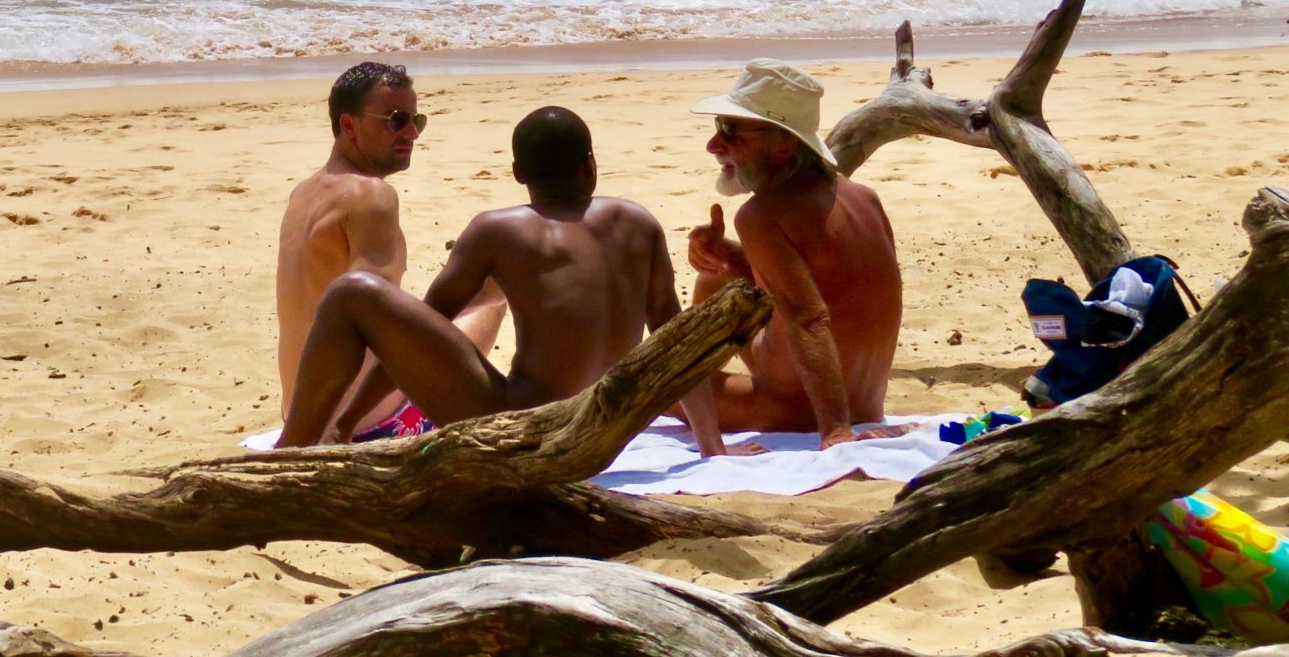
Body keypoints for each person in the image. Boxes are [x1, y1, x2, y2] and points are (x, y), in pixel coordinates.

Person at [279, 106, 737, 453]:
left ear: (518, 174)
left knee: (352, 294)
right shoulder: (639, 222)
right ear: (590, 166)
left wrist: (347, 423)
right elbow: (674, 339)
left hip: (523, 426)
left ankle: (294, 446)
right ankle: (318, 436)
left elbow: (427, 324)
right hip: (601, 425)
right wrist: (712, 447)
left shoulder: (499, 229)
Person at [276, 62, 504, 438]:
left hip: (300, 416)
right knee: (493, 295)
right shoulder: (373, 197)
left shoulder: (304, 192)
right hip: (365, 425)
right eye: (397, 120)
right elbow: (368, 321)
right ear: (349, 125)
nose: (412, 132)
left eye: (418, 120)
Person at [687, 59, 905, 449]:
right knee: (716, 273)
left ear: (784, 147)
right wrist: (729, 256)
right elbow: (832, 279)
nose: (713, 145)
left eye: (731, 132)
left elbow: (810, 319)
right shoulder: (863, 198)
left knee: (659, 387)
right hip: (867, 403)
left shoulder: (762, 215)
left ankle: (694, 374)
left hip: (795, 408)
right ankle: (699, 369)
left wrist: (836, 431)